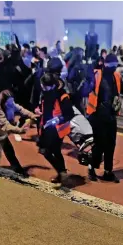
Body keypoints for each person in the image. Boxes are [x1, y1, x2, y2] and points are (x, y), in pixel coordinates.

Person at [87, 53, 123, 182]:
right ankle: (91, 167)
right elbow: (87, 88)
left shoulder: (116, 76)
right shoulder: (96, 74)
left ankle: (108, 171)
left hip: (111, 116)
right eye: (111, 65)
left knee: (111, 145)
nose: (113, 67)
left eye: (115, 65)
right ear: (105, 64)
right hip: (97, 116)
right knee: (99, 145)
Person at [0, 90, 38, 176]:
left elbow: (20, 109)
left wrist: (31, 115)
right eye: (9, 102)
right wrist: (20, 130)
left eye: (12, 101)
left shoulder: (9, 103)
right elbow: (6, 126)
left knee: (8, 148)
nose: (12, 104)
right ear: (3, 102)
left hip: (0, 129)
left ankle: (17, 167)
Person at [38, 59, 75, 187]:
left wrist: (56, 120)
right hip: (47, 127)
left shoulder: (63, 96)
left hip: (57, 129)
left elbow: (69, 114)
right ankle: (61, 172)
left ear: (53, 86)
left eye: (45, 87)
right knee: (50, 151)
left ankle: (62, 172)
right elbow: (44, 107)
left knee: (48, 150)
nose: (43, 89)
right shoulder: (46, 93)